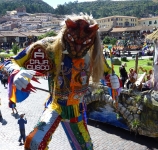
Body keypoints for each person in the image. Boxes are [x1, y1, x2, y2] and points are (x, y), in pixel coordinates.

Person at [2, 14, 120, 150]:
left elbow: (109, 73)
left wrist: (114, 81)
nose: (77, 47)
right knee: (33, 143)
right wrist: (16, 72)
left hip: (76, 110)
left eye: (85, 42)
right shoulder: (49, 47)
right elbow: (10, 61)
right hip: (55, 106)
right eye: (74, 41)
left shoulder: (94, 54)